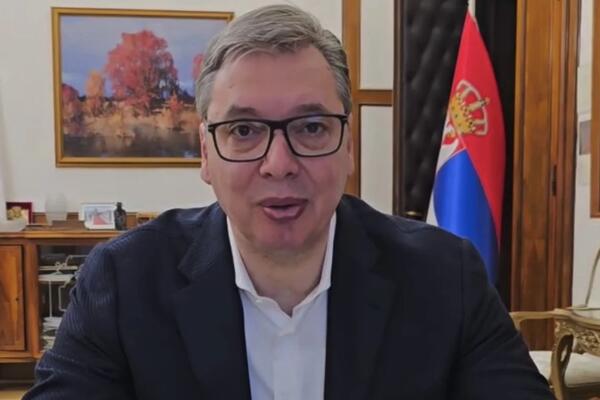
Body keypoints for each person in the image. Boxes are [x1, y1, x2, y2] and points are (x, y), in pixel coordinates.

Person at [24, 4, 553, 399]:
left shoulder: (445, 276)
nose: (279, 164)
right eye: (244, 130)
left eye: (312, 126)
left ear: (348, 146)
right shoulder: (124, 281)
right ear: (206, 153)